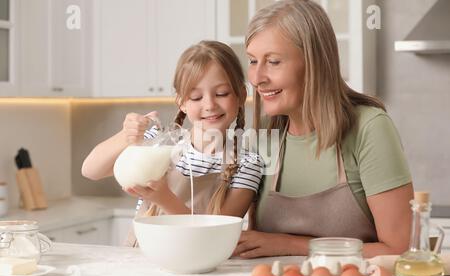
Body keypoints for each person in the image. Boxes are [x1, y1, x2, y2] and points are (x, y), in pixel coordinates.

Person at [233, 0, 413, 259]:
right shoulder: (261, 137)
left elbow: (400, 250)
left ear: (314, 63)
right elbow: (223, 230)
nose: (257, 78)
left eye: (273, 61)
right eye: (252, 61)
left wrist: (290, 244)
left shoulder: (369, 129)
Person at [82, 41, 264, 246]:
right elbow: (91, 170)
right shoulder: (157, 142)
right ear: (182, 102)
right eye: (196, 97)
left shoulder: (247, 164)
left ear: (241, 95)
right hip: (138, 265)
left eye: (221, 93)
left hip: (198, 270)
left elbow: (215, 238)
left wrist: (164, 198)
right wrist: (125, 136)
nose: (210, 105)